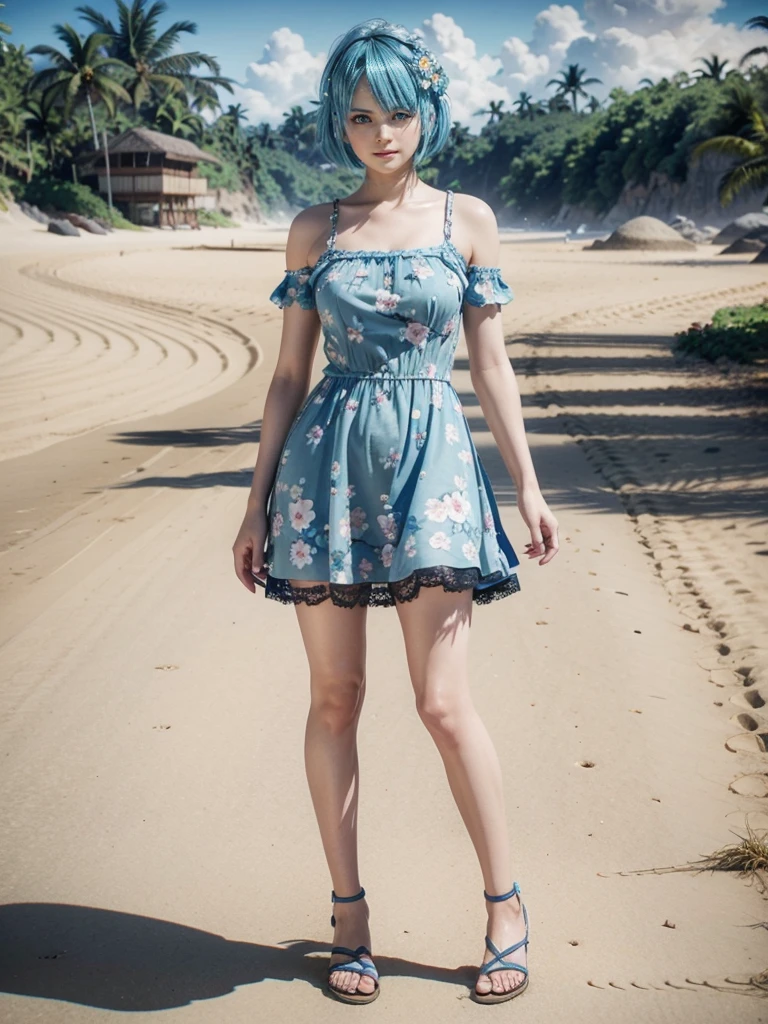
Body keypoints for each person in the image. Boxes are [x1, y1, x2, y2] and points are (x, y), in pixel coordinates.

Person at [232, 17, 559, 1006]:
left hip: (438, 475)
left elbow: (492, 364)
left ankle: (505, 904)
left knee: (444, 703)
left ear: (428, 113)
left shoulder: (470, 221)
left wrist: (528, 482)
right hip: (323, 477)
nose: (382, 132)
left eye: (399, 112)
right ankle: (350, 913)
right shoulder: (316, 229)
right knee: (335, 701)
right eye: (362, 115)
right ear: (340, 121)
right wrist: (255, 503)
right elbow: (288, 377)